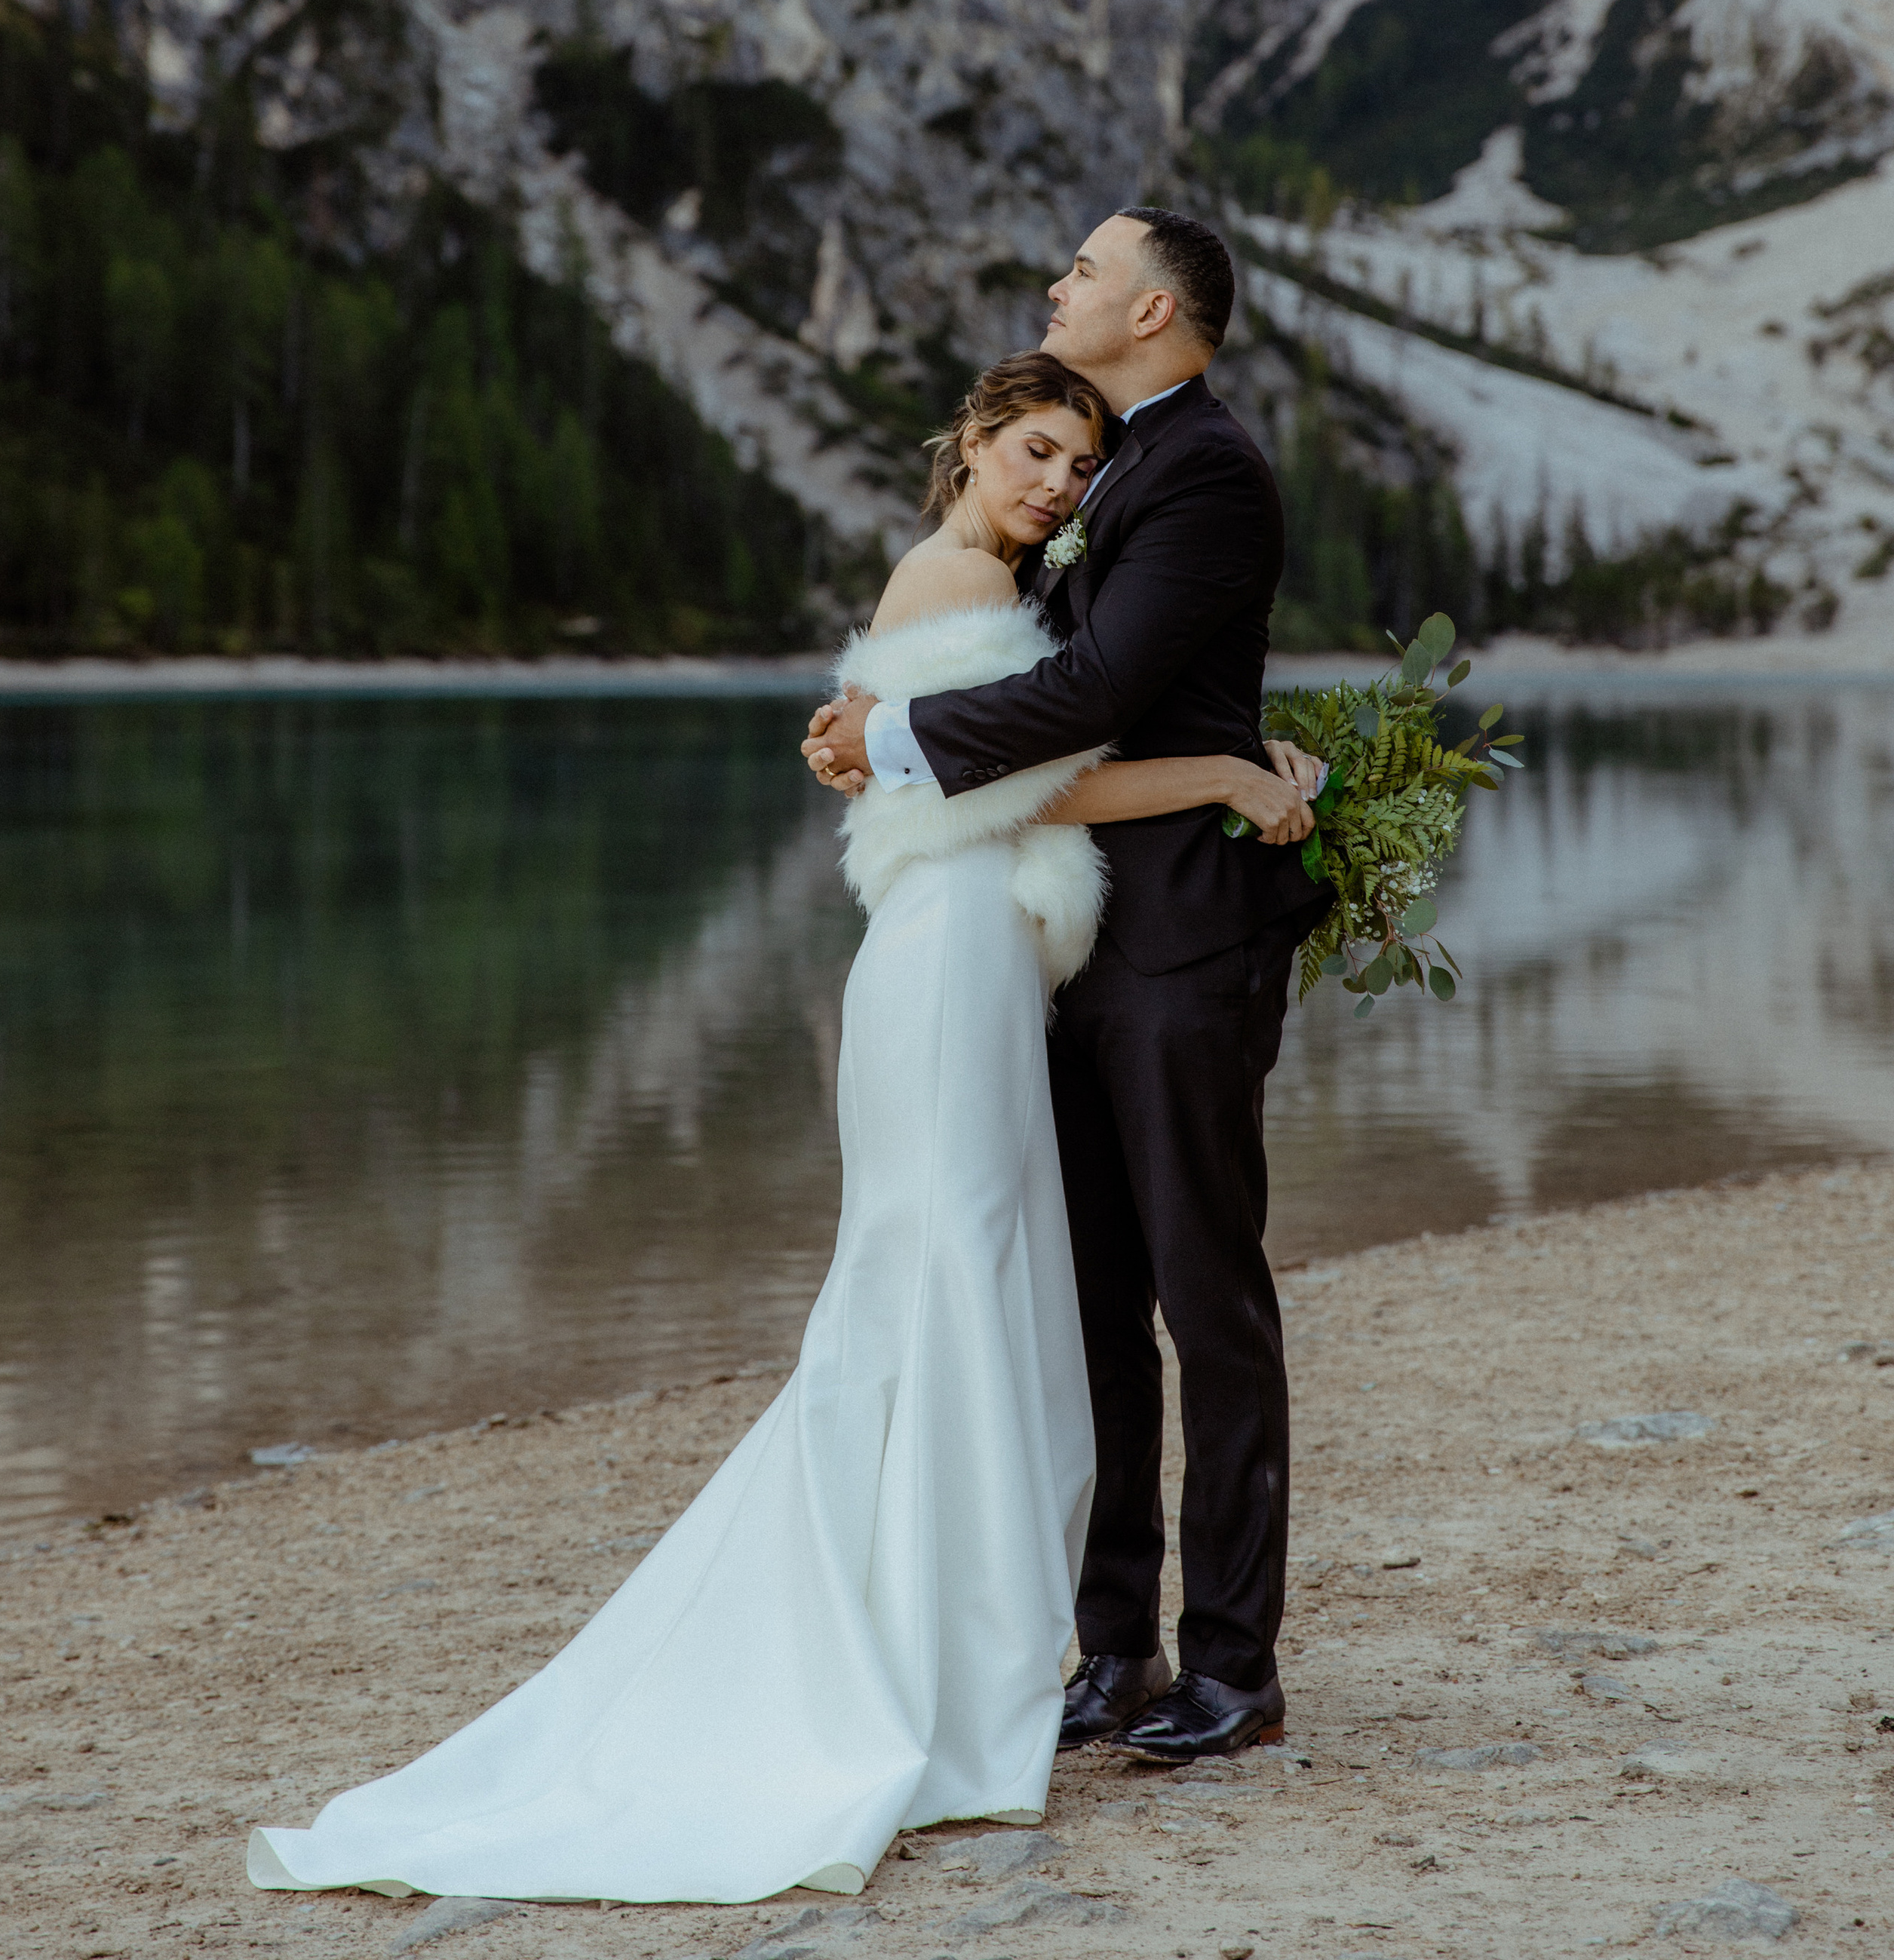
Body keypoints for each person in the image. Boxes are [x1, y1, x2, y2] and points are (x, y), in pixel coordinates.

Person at [247, 348, 1310, 1912]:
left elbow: (1031, 736)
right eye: (1029, 449)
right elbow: (1022, 780)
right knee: (945, 1269)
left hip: (975, 967)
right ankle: (937, 1653)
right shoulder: (941, 573)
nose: (1052, 485)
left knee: (966, 1276)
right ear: (969, 446)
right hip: (948, 964)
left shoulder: (1004, 587)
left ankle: (985, 1643)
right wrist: (1227, 766)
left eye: (1075, 468)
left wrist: (1231, 749)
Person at [804, 208, 1329, 1766]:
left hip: (1182, 951)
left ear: (1154, 308)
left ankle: (1231, 1666)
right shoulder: (1108, 469)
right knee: (1093, 1302)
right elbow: (1052, 675)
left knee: (1204, 1300)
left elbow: (1097, 695)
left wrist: (884, 749)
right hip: (1074, 946)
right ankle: (1114, 1648)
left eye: (1085, 271)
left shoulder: (1207, 468)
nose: (1059, 286)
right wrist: (865, 718)